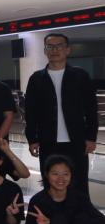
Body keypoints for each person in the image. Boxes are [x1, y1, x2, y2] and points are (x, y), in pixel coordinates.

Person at [24, 33, 98, 191]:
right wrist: (32, 139)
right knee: (50, 183)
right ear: (45, 50)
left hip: (77, 140)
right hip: (48, 140)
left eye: (59, 46)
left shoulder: (80, 76)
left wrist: (91, 137)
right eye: (50, 47)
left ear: (67, 50)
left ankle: (80, 208)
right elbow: (30, 112)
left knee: (79, 182)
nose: (54, 50)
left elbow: (91, 109)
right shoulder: (36, 79)